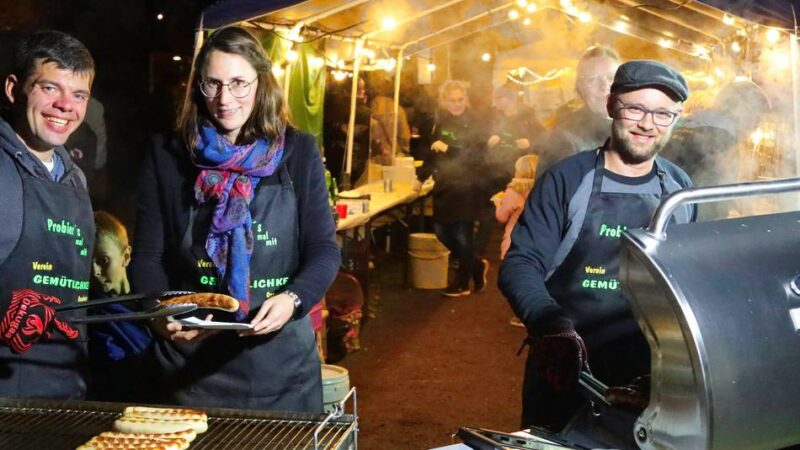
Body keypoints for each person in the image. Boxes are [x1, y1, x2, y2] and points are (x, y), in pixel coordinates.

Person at [129, 26, 341, 411]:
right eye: (213, 84)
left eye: (239, 83)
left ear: (261, 84)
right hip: (189, 367)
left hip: (279, 368)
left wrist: (293, 299)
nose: (225, 99)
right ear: (198, 87)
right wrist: (158, 312)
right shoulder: (167, 155)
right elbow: (147, 257)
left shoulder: (297, 152)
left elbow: (324, 250)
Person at [498, 60, 697, 431]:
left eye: (662, 114)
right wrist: (550, 325)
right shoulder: (568, 179)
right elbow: (521, 262)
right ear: (611, 107)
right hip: (565, 363)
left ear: (676, 118)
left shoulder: (679, 189)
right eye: (634, 108)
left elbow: (689, 276)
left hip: (650, 373)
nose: (647, 123)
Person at [0, 30, 95, 399]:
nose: (65, 105)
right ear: (13, 88)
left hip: (66, 384)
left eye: (79, 95)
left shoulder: (74, 177)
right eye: (50, 88)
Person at [413, 80, 488, 297]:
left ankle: (462, 283)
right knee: (441, 231)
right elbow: (432, 154)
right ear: (444, 101)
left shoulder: (475, 122)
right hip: (445, 184)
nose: (456, 104)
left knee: (463, 235)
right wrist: (420, 178)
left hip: (468, 185)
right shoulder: (440, 122)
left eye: (460, 99)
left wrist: (450, 148)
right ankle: (476, 266)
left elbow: (477, 155)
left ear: (466, 99)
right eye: (452, 100)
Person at [659, 79, 770, 219]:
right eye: (757, 118)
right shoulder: (724, 141)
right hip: (685, 228)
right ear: (742, 111)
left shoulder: (686, 123)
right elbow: (714, 204)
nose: (756, 126)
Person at [86, 211, 152, 401]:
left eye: (103, 260)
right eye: (87, 260)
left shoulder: (152, 305)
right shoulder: (88, 314)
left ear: (126, 256)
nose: (95, 272)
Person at [538, 45, 621, 170]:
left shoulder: (641, 126)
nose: (604, 86)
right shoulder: (565, 138)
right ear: (580, 87)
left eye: (612, 77)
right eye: (592, 79)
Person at [493, 155, 539, 261]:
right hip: (537, 237)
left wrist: (498, 202)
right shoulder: (543, 188)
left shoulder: (514, 191)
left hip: (515, 239)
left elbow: (502, 217)